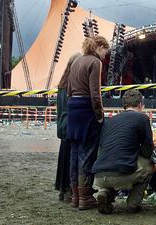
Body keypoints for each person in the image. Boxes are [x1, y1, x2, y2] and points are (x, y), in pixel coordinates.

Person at [92, 89, 154, 214]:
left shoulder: (109, 122)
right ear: (141, 105)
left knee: (117, 163)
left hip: (99, 176)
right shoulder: (142, 118)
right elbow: (148, 149)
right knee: (148, 166)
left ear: (124, 105)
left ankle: (104, 192)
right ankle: (133, 203)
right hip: (121, 174)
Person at [67, 35, 109, 210]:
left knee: (75, 152)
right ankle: (85, 197)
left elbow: (69, 89)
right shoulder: (95, 62)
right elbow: (95, 93)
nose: (106, 55)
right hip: (86, 110)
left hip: (73, 109)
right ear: (99, 47)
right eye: (106, 51)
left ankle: (75, 196)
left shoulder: (77, 61)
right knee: (87, 152)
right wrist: (99, 115)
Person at [55, 53, 81, 202]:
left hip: (63, 126)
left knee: (64, 158)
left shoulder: (62, 85)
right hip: (72, 125)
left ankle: (62, 189)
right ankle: (71, 189)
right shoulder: (73, 85)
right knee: (73, 159)